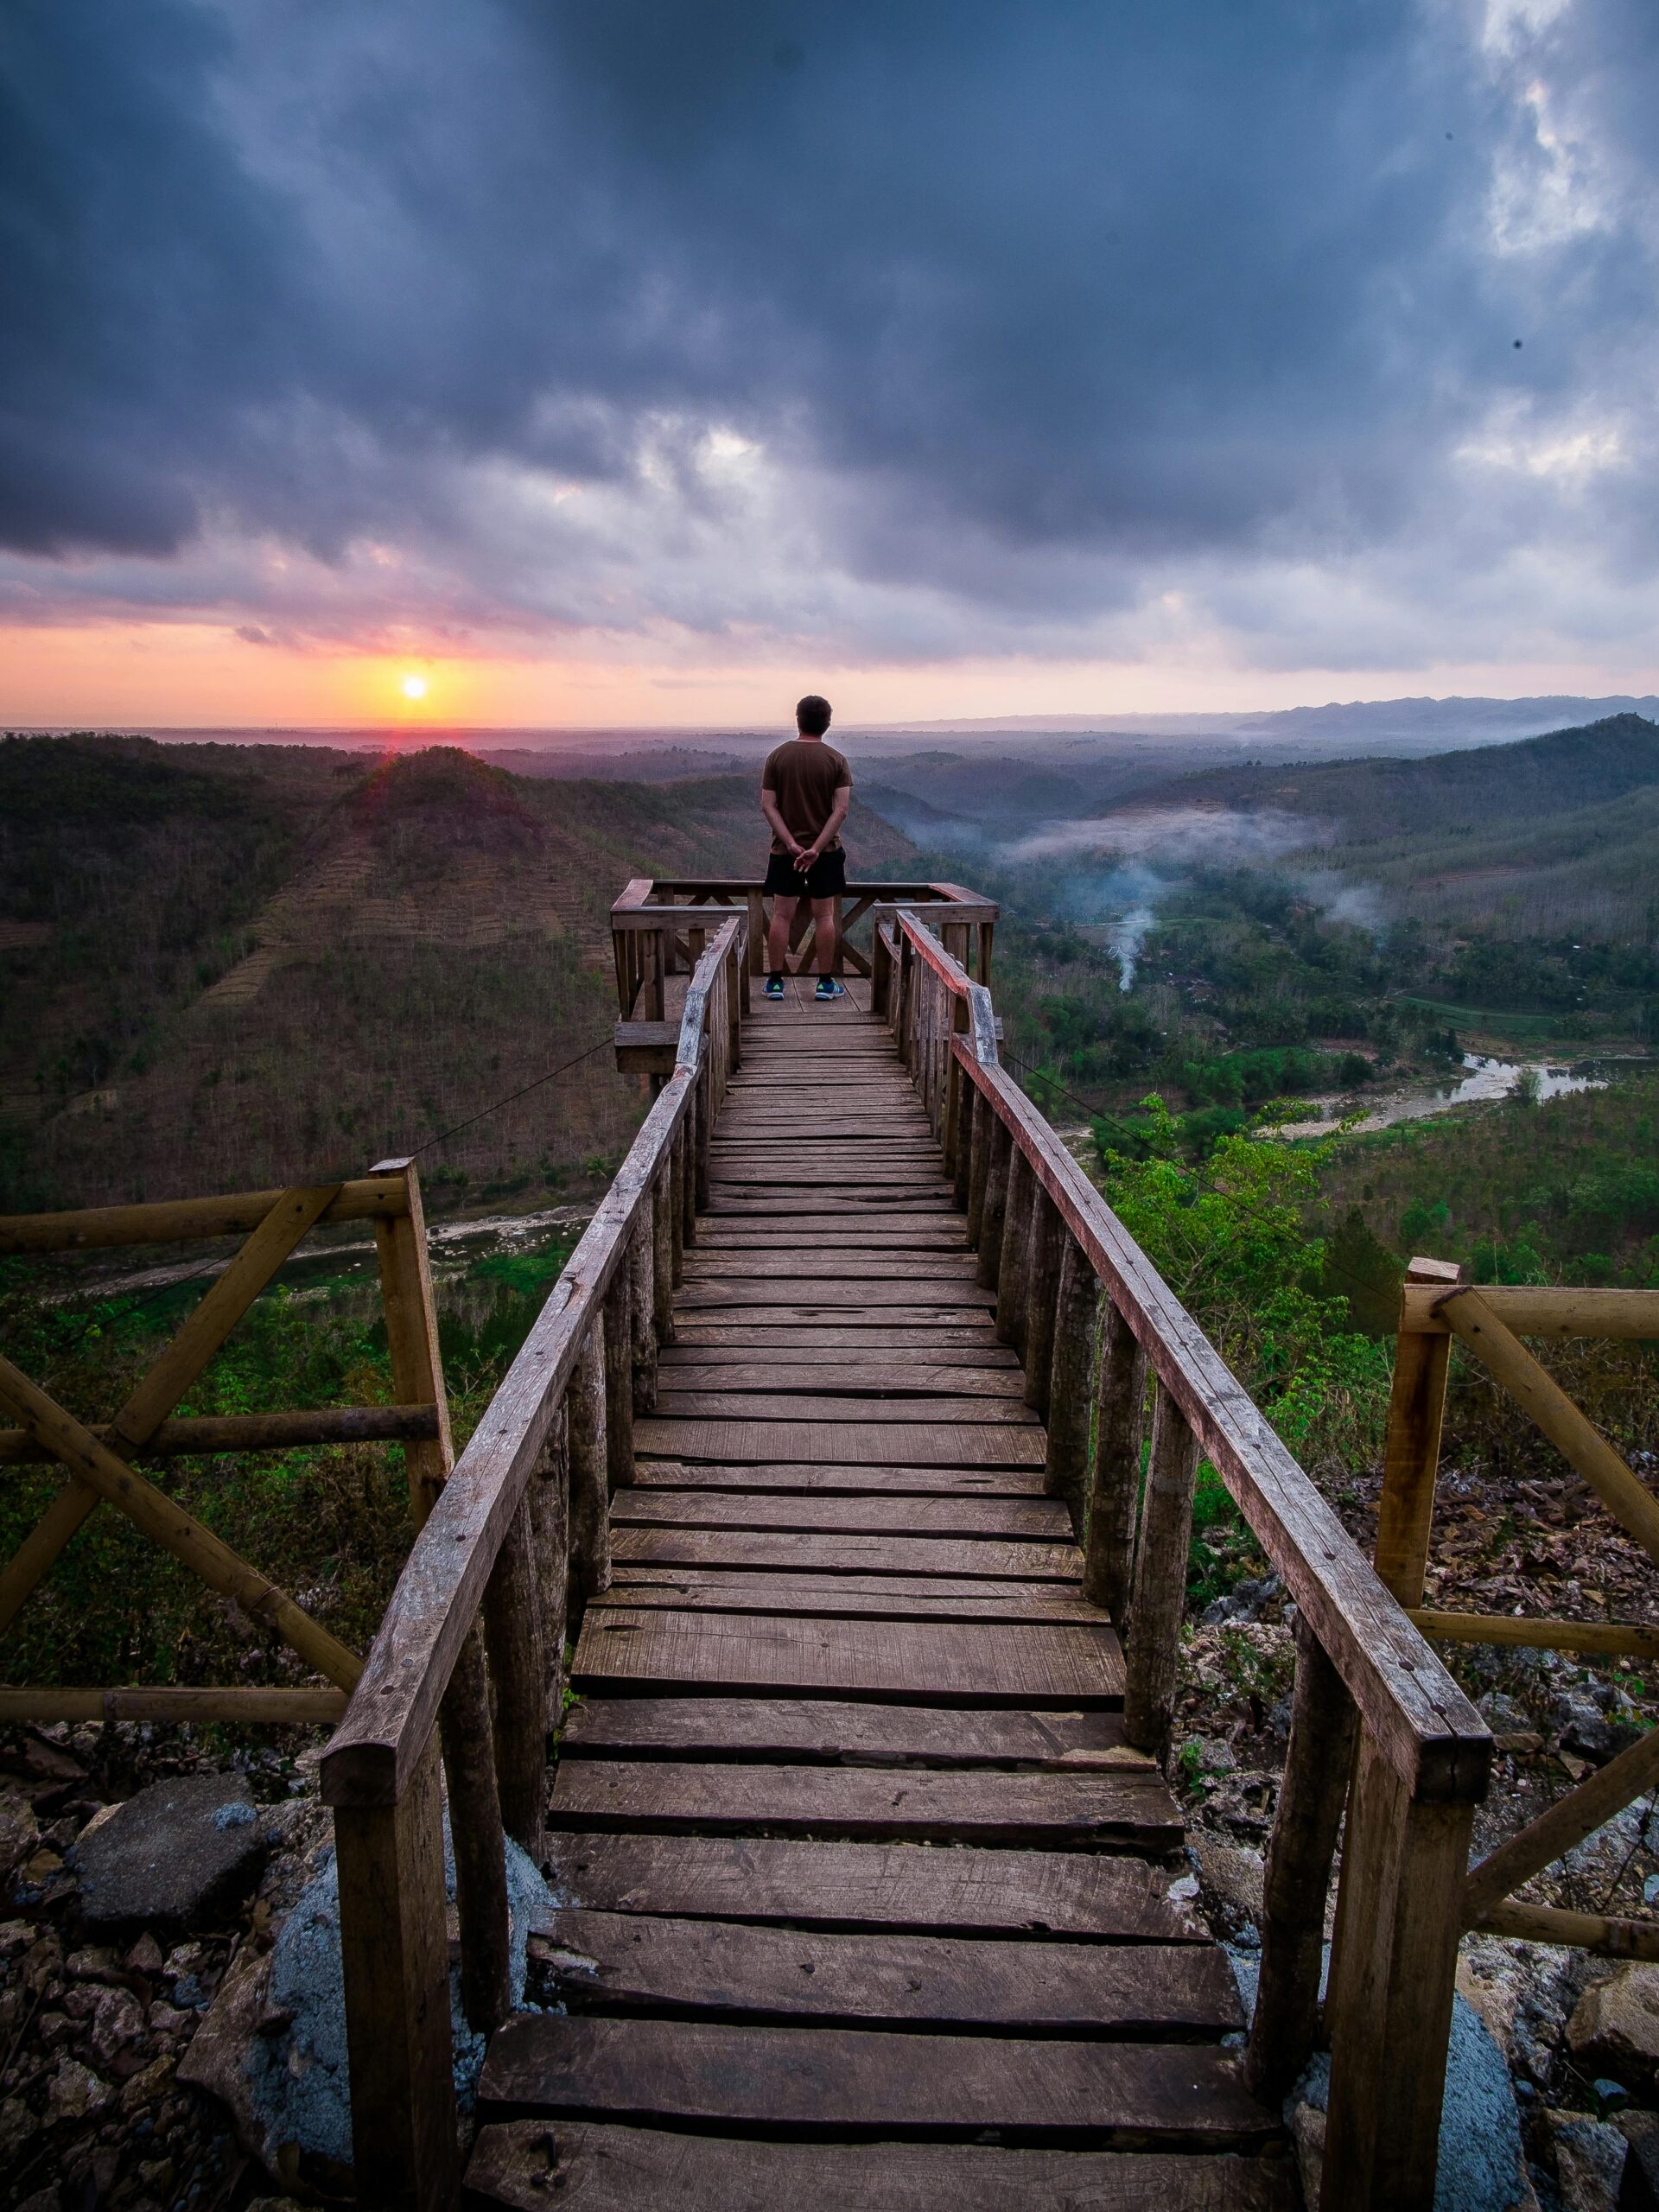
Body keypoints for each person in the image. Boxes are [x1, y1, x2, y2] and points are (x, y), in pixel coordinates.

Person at [760, 695, 852, 1002]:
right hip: (824, 855)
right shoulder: (837, 760)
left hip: (784, 853)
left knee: (781, 915)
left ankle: (775, 982)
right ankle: (825, 984)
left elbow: (768, 806)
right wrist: (816, 848)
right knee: (824, 916)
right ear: (827, 723)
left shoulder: (777, 757)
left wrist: (790, 843)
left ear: (797, 719)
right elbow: (840, 811)